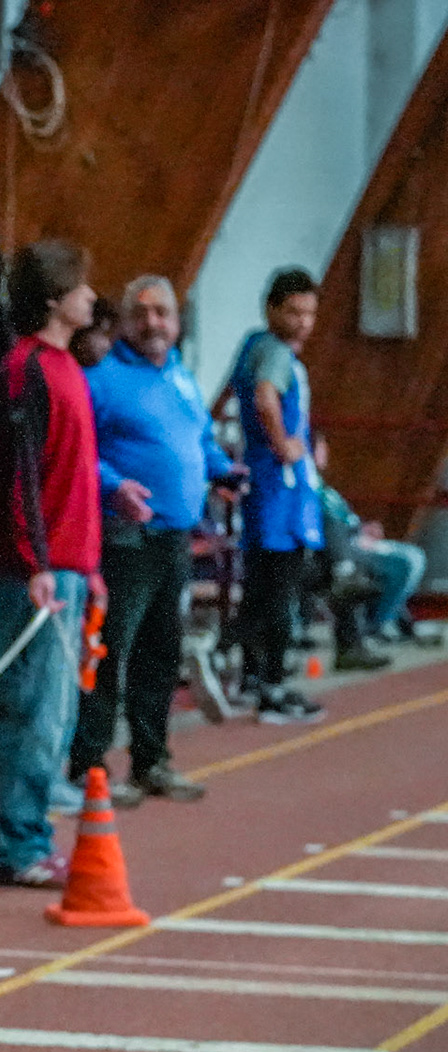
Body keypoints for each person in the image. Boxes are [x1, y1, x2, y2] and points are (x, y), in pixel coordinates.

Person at [69, 276, 244, 805]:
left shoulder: (182, 378)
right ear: (124, 321)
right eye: (141, 313)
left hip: (174, 538)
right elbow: (80, 452)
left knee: (161, 653)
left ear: (176, 320)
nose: (153, 323)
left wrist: (223, 470)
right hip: (126, 537)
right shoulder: (101, 380)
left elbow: (200, 439)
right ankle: (89, 766)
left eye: (162, 312)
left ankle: (152, 761)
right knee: (109, 652)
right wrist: (114, 486)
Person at [0, 240, 102, 887]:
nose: (92, 296)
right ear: (54, 298)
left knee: (52, 708)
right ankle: (18, 845)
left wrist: (87, 561)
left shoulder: (66, 367)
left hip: (67, 565)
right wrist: (37, 562)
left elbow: (69, 474)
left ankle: (29, 833)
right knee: (29, 706)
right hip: (39, 571)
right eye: (82, 285)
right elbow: (20, 475)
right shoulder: (26, 369)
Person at [224, 268, 326, 725]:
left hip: (271, 486)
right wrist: (283, 443)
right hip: (281, 490)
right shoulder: (274, 354)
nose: (303, 322)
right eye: (294, 312)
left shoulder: (254, 347)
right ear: (271, 309)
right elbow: (266, 396)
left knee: (262, 585)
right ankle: (268, 683)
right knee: (279, 588)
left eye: (310, 313)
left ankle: (250, 674)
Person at [311, 432, 421, 669]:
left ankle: (381, 626)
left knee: (412, 556)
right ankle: (376, 627)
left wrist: (362, 528)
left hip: (353, 544)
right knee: (401, 564)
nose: (326, 452)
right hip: (336, 554)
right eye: (321, 447)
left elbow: (344, 521)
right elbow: (328, 529)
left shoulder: (326, 489)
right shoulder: (309, 488)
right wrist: (346, 554)